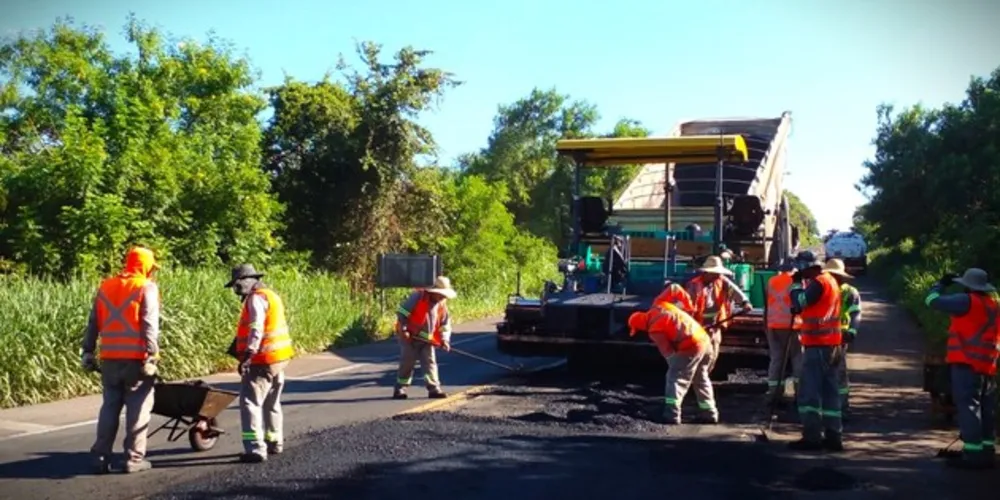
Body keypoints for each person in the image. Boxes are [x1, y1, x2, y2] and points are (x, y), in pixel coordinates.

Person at [81, 246, 161, 474]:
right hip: (136, 360)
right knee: (138, 408)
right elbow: (149, 324)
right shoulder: (146, 287)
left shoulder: (106, 286)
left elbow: (93, 322)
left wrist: (88, 351)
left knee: (109, 407)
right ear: (146, 266)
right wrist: (152, 355)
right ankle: (134, 459)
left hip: (109, 358)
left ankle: (100, 457)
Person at [925, 268, 998, 470]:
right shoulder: (993, 305)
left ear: (967, 286)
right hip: (988, 365)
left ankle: (973, 455)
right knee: (986, 409)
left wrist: (940, 284)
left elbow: (931, 301)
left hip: (967, 364)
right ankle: (987, 452)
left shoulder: (965, 301)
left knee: (969, 408)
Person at [225, 264, 294, 463]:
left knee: (250, 403)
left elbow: (256, 328)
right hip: (278, 358)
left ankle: (255, 448)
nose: (236, 289)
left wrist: (248, 355)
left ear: (247, 281)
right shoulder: (271, 296)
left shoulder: (255, 299)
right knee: (271, 402)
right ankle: (274, 441)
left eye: (237, 285)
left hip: (262, 359)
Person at [788, 254, 844, 452]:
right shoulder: (831, 281)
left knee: (809, 393)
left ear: (808, 267)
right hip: (832, 345)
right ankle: (833, 436)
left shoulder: (819, 282)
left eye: (801, 269)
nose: (799, 272)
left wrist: (795, 286)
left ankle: (812, 437)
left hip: (818, 345)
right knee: (830, 393)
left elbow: (801, 301)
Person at [628, 301, 717, 424]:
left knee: (674, 378)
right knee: (700, 378)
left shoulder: (654, 330)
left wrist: (676, 368)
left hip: (692, 345)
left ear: (641, 326)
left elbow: (669, 355)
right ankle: (709, 413)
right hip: (704, 340)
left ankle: (671, 414)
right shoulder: (661, 307)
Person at [685, 255, 753, 372]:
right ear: (707, 273)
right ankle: (697, 378)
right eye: (715, 273)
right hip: (698, 327)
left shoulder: (721, 281)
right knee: (698, 356)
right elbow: (687, 307)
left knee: (712, 356)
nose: (718, 275)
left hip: (715, 326)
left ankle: (704, 376)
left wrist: (745, 302)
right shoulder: (694, 285)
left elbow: (735, 291)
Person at [393, 276, 457, 400]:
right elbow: (402, 312)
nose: (442, 297)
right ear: (434, 292)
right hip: (410, 338)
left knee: (430, 364)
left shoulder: (441, 305)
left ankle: (434, 389)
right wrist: (404, 329)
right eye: (441, 295)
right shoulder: (418, 297)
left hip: (427, 340)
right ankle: (400, 388)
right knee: (407, 363)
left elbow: (445, 324)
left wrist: (445, 339)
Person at [823, 258, 862, 417]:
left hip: (839, 338)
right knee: (829, 373)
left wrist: (852, 331)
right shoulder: (822, 289)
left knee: (838, 372)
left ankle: (841, 406)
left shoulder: (849, 292)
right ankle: (831, 406)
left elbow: (855, 313)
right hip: (823, 338)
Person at [764, 261, 803, 406]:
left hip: (773, 325)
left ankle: (774, 392)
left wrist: (765, 323)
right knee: (797, 358)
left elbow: (767, 304)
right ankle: (800, 392)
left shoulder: (772, 281)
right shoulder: (797, 282)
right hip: (792, 325)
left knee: (776, 359)